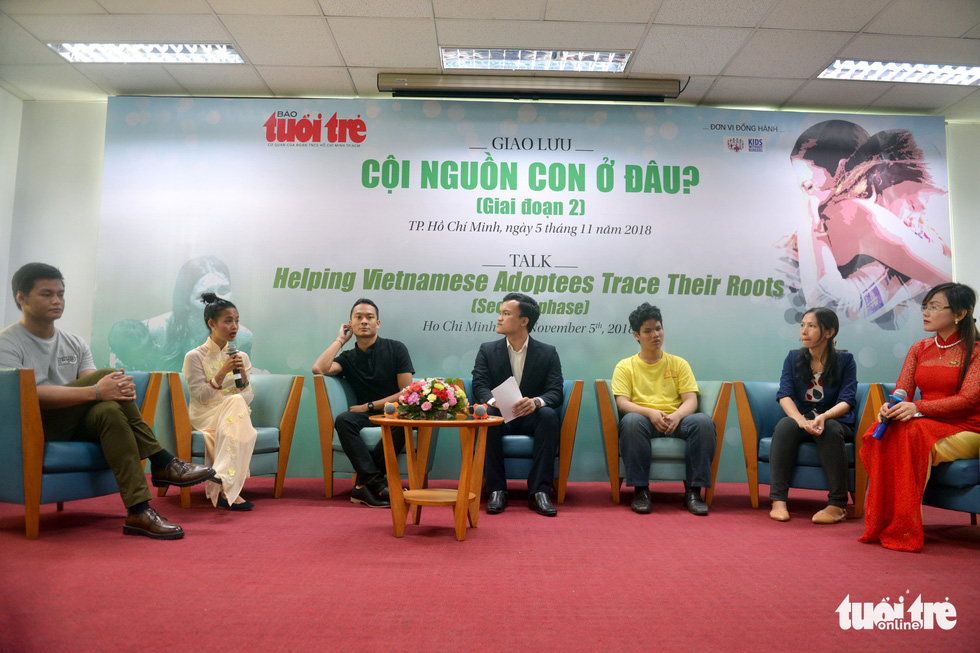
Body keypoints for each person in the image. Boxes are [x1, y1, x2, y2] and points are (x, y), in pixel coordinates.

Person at [0, 263, 216, 539]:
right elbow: (27, 394)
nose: (57, 300)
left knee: (110, 410)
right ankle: (162, 460)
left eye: (61, 293)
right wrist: (99, 390)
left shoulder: (74, 342)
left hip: (75, 422)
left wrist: (105, 390)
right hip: (34, 425)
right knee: (106, 379)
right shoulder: (7, 342)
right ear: (21, 297)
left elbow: (101, 388)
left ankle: (139, 510)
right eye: (46, 294)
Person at [779, 120, 951, 330]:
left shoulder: (861, 215)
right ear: (879, 177)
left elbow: (829, 306)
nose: (921, 209)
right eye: (916, 198)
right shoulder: (856, 212)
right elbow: (829, 305)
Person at [860, 282, 980, 552]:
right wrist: (891, 407)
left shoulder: (976, 351)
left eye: (934, 307)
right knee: (881, 430)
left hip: (967, 427)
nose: (925, 312)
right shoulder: (919, 348)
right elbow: (903, 389)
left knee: (912, 432)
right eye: (925, 306)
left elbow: (968, 400)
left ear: (959, 314)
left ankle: (905, 527)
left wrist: (918, 408)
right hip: (927, 421)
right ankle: (881, 522)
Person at [612, 303, 715, 516]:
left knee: (703, 422)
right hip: (644, 420)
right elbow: (622, 402)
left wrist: (677, 416)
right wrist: (650, 412)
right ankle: (641, 491)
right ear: (636, 335)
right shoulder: (625, 366)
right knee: (630, 421)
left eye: (658, 328)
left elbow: (690, 401)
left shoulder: (679, 364)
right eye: (648, 331)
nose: (655, 335)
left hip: (675, 420)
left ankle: (694, 492)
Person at [312, 298, 413, 508]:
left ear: (378, 323)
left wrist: (369, 406)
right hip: (367, 417)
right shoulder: (347, 358)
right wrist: (340, 340)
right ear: (350, 323)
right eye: (358, 317)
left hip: (393, 413)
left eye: (370, 317)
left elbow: (406, 392)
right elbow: (318, 369)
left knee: (403, 422)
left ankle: (362, 487)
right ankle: (377, 484)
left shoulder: (396, 348)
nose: (364, 321)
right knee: (343, 420)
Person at [472, 292, 564, 517]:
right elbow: (479, 385)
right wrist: (496, 403)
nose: (499, 318)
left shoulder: (548, 352)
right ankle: (497, 490)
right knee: (489, 415)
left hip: (531, 417)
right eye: (500, 313)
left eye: (506, 313)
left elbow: (555, 391)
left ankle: (539, 492)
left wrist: (535, 402)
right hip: (500, 416)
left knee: (549, 415)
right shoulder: (487, 350)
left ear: (524, 321)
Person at [769, 307, 857, 524]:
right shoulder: (793, 358)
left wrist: (824, 417)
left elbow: (847, 400)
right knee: (785, 425)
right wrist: (799, 419)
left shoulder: (845, 361)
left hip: (834, 420)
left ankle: (837, 505)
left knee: (829, 429)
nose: (804, 331)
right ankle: (778, 501)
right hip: (803, 417)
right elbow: (785, 394)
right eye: (802, 326)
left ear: (828, 332)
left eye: (811, 326)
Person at [109, 255, 253, 370]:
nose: (220, 302)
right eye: (207, 296)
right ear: (186, 301)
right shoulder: (153, 331)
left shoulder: (242, 337)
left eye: (224, 290)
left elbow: (239, 385)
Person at [182, 293, 257, 511]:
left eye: (236, 320)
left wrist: (242, 378)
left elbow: (247, 396)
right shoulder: (193, 357)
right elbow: (201, 397)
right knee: (236, 407)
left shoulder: (241, 357)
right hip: (205, 414)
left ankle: (222, 481)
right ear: (211, 324)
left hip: (233, 413)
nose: (234, 326)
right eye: (228, 321)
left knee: (236, 403)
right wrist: (222, 373)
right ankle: (226, 486)